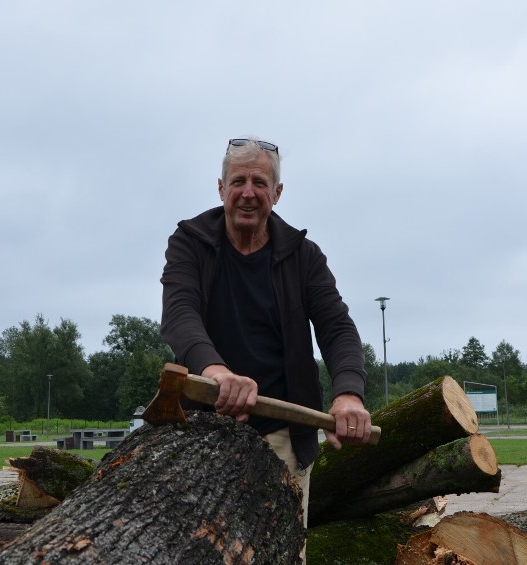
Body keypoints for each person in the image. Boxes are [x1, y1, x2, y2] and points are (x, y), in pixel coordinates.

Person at [159, 137, 372, 540]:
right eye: (238, 181)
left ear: (277, 193)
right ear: (220, 188)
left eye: (260, 183)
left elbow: (337, 327)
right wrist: (215, 372)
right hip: (201, 434)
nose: (248, 193)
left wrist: (348, 393)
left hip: (284, 438)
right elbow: (179, 314)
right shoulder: (190, 243)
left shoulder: (304, 256)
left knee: (281, 551)